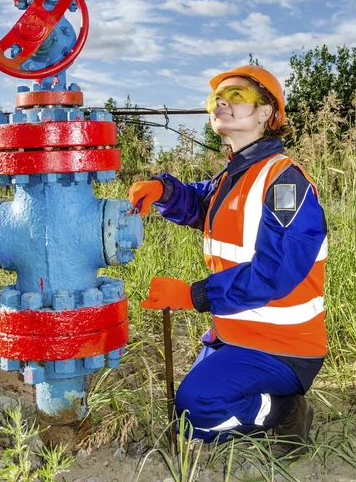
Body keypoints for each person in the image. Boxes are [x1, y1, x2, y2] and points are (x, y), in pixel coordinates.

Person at [129, 65, 327, 457]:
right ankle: (256, 390)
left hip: (285, 345)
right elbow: (201, 203)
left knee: (195, 412)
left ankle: (285, 410)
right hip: (237, 332)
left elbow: (274, 274)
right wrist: (163, 191)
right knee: (192, 409)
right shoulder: (234, 176)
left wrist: (193, 295)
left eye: (236, 96)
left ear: (267, 113)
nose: (221, 102)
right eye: (215, 99)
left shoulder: (285, 183)